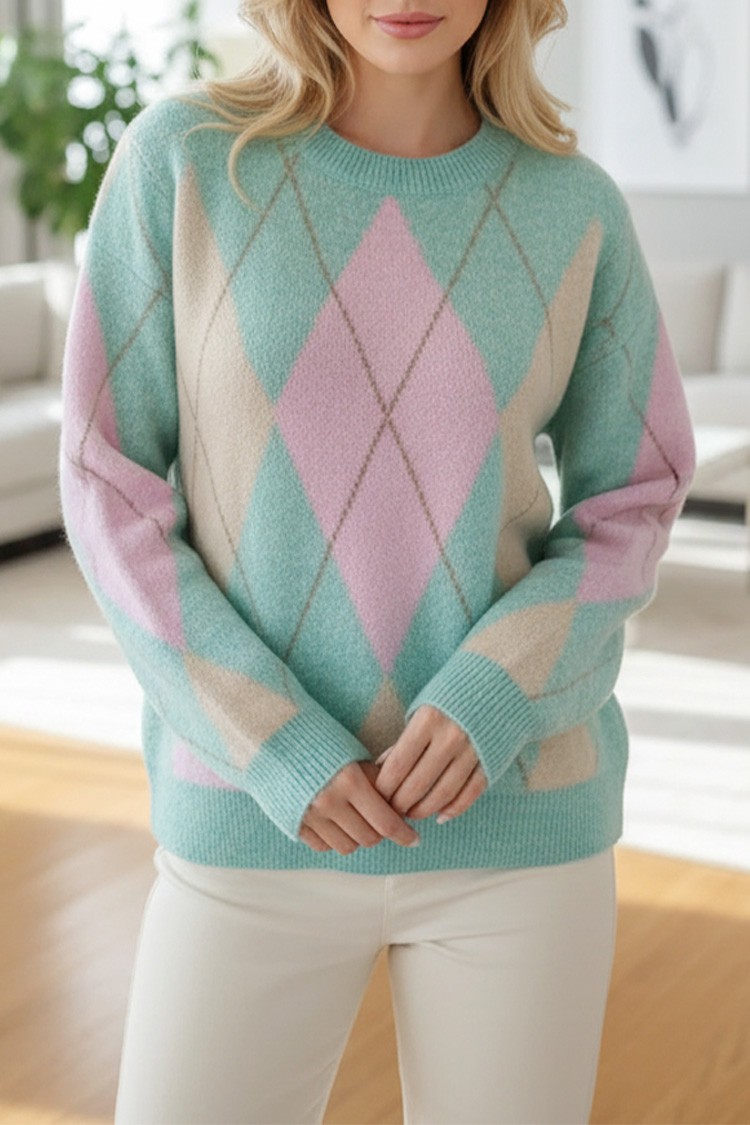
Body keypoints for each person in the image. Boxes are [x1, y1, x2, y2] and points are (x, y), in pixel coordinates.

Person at [57, 1, 697, 1122]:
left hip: (515, 834)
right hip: (248, 821)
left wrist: (498, 689)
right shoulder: (184, 164)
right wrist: (272, 741)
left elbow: (633, 494)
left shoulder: (573, 206)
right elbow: (108, 483)